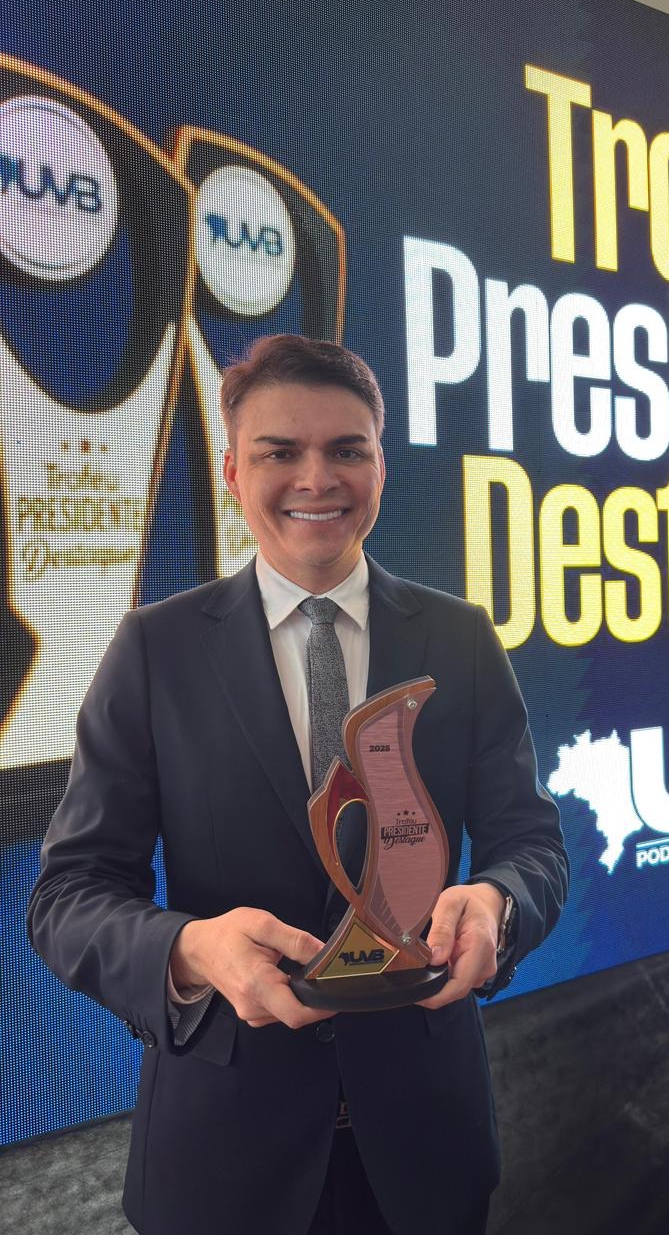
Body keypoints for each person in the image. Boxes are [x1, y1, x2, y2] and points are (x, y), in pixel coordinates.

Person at [27, 336, 568, 1235]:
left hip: (425, 1148)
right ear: (234, 473)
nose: (317, 479)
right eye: (280, 452)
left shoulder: (460, 639)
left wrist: (500, 905)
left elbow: (531, 844)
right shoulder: (156, 652)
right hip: (224, 1159)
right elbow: (68, 896)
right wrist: (190, 949)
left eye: (346, 449)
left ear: (380, 467)